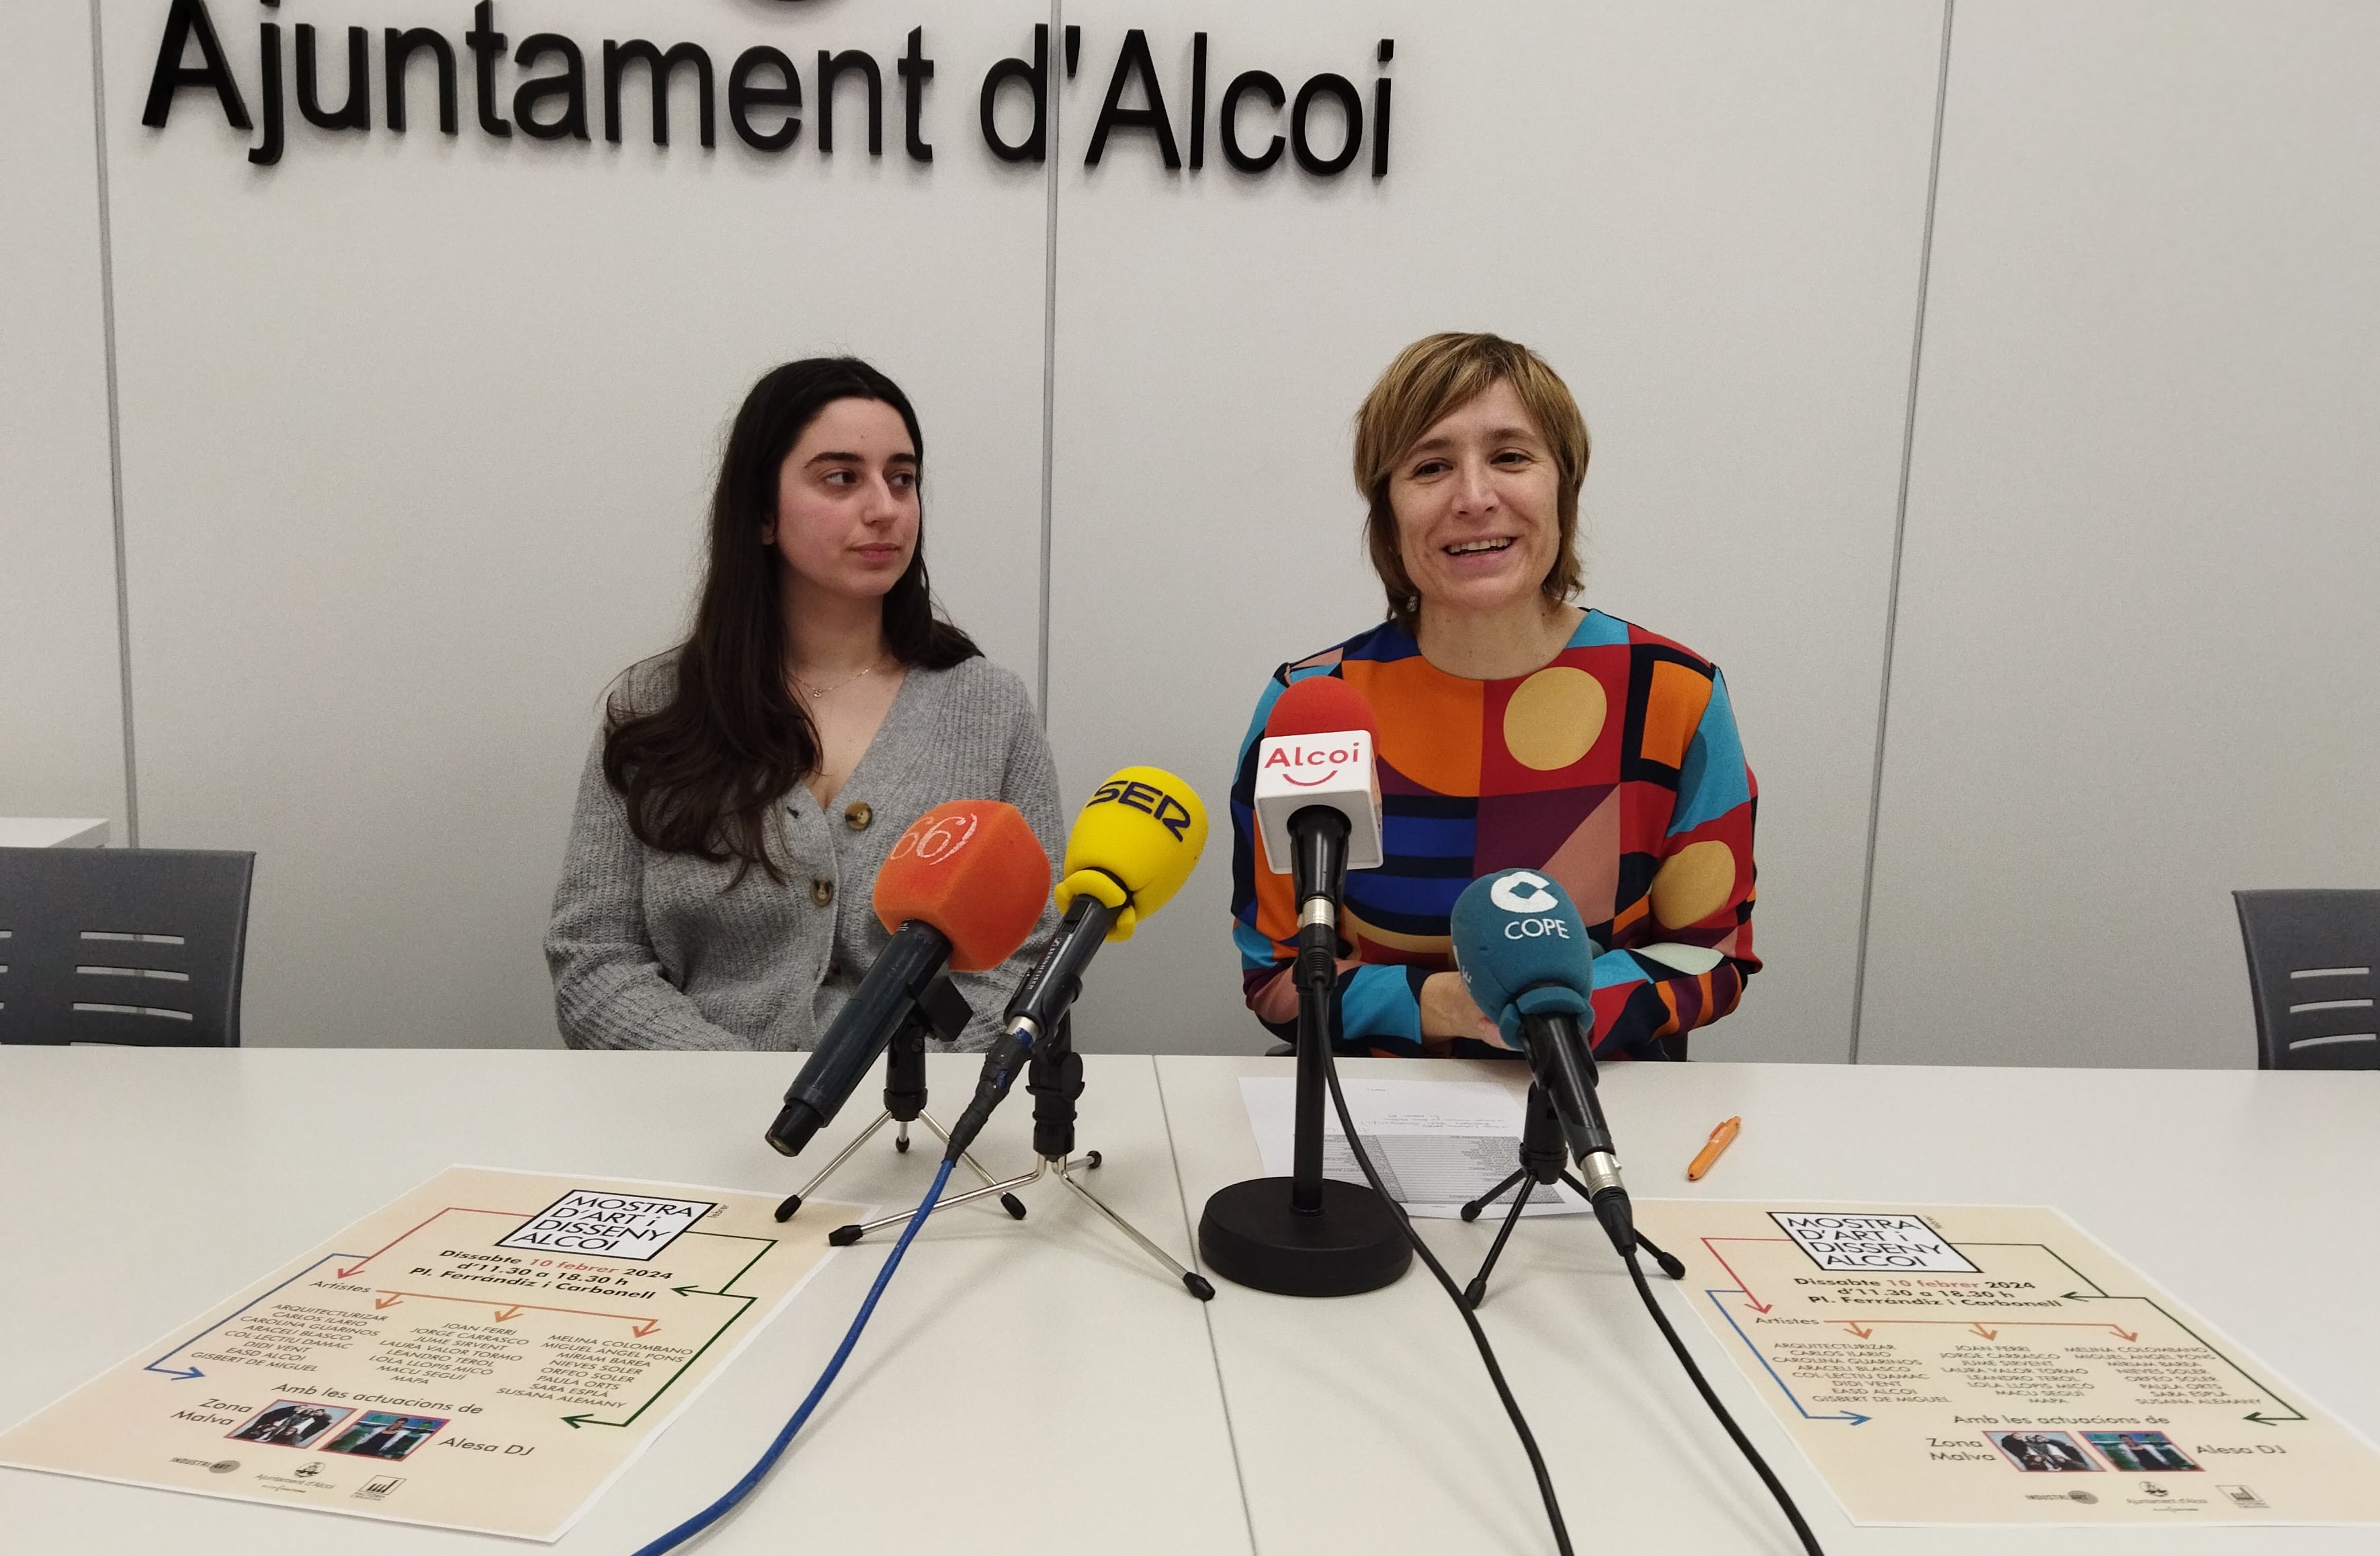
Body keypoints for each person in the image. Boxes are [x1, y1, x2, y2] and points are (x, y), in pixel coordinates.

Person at [1229, 333, 1758, 1059]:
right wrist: (1438, 1004)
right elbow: (1277, 975)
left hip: (1603, 1111)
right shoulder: (1315, 705)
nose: (1474, 498)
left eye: (1510, 457)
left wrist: (1549, 1006)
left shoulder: (1671, 694)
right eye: (1430, 466)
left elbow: (1711, 956)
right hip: (1375, 1118)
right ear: (1387, 510)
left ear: (1561, 486)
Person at [548, 358, 1062, 1051]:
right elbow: (594, 955)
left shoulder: (987, 708)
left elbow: (1030, 954)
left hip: (920, 1122)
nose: (884, 507)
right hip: (691, 1119)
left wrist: (897, 1096)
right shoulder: (656, 707)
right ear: (762, 512)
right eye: (841, 478)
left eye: (901, 478)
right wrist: (733, 1088)